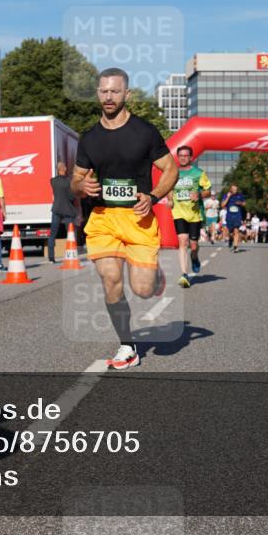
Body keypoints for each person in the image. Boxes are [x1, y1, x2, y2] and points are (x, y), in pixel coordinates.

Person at [71, 68, 177, 370]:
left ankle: (154, 277)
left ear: (126, 94)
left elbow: (170, 169)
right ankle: (128, 346)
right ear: (97, 94)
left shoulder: (145, 132)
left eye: (115, 91)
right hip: (103, 218)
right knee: (111, 280)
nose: (108, 96)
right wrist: (81, 186)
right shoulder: (90, 138)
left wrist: (154, 196)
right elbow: (75, 181)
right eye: (103, 91)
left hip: (138, 218)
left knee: (143, 290)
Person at [170, 146, 211, 288]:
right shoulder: (173, 172)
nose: (182, 158)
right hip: (178, 212)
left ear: (191, 158)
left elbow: (208, 191)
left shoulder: (199, 173)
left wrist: (199, 195)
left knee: (193, 245)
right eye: (180, 155)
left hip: (194, 213)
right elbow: (169, 188)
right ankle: (184, 274)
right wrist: (170, 199)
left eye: (185, 155)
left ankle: (194, 257)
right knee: (182, 241)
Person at [48, 161, 78, 264]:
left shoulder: (52, 181)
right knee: (70, 234)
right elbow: (71, 197)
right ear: (64, 169)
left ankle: (51, 257)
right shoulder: (69, 181)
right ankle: (71, 254)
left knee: (52, 234)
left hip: (56, 209)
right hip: (68, 210)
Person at [221, 184, 246, 252]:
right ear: (230, 189)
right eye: (234, 189)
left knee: (236, 231)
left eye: (236, 189)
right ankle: (231, 239)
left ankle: (235, 247)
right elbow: (223, 205)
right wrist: (228, 197)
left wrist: (240, 203)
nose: (235, 191)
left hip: (237, 216)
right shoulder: (226, 195)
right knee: (230, 232)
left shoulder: (240, 195)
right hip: (229, 216)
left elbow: (244, 203)